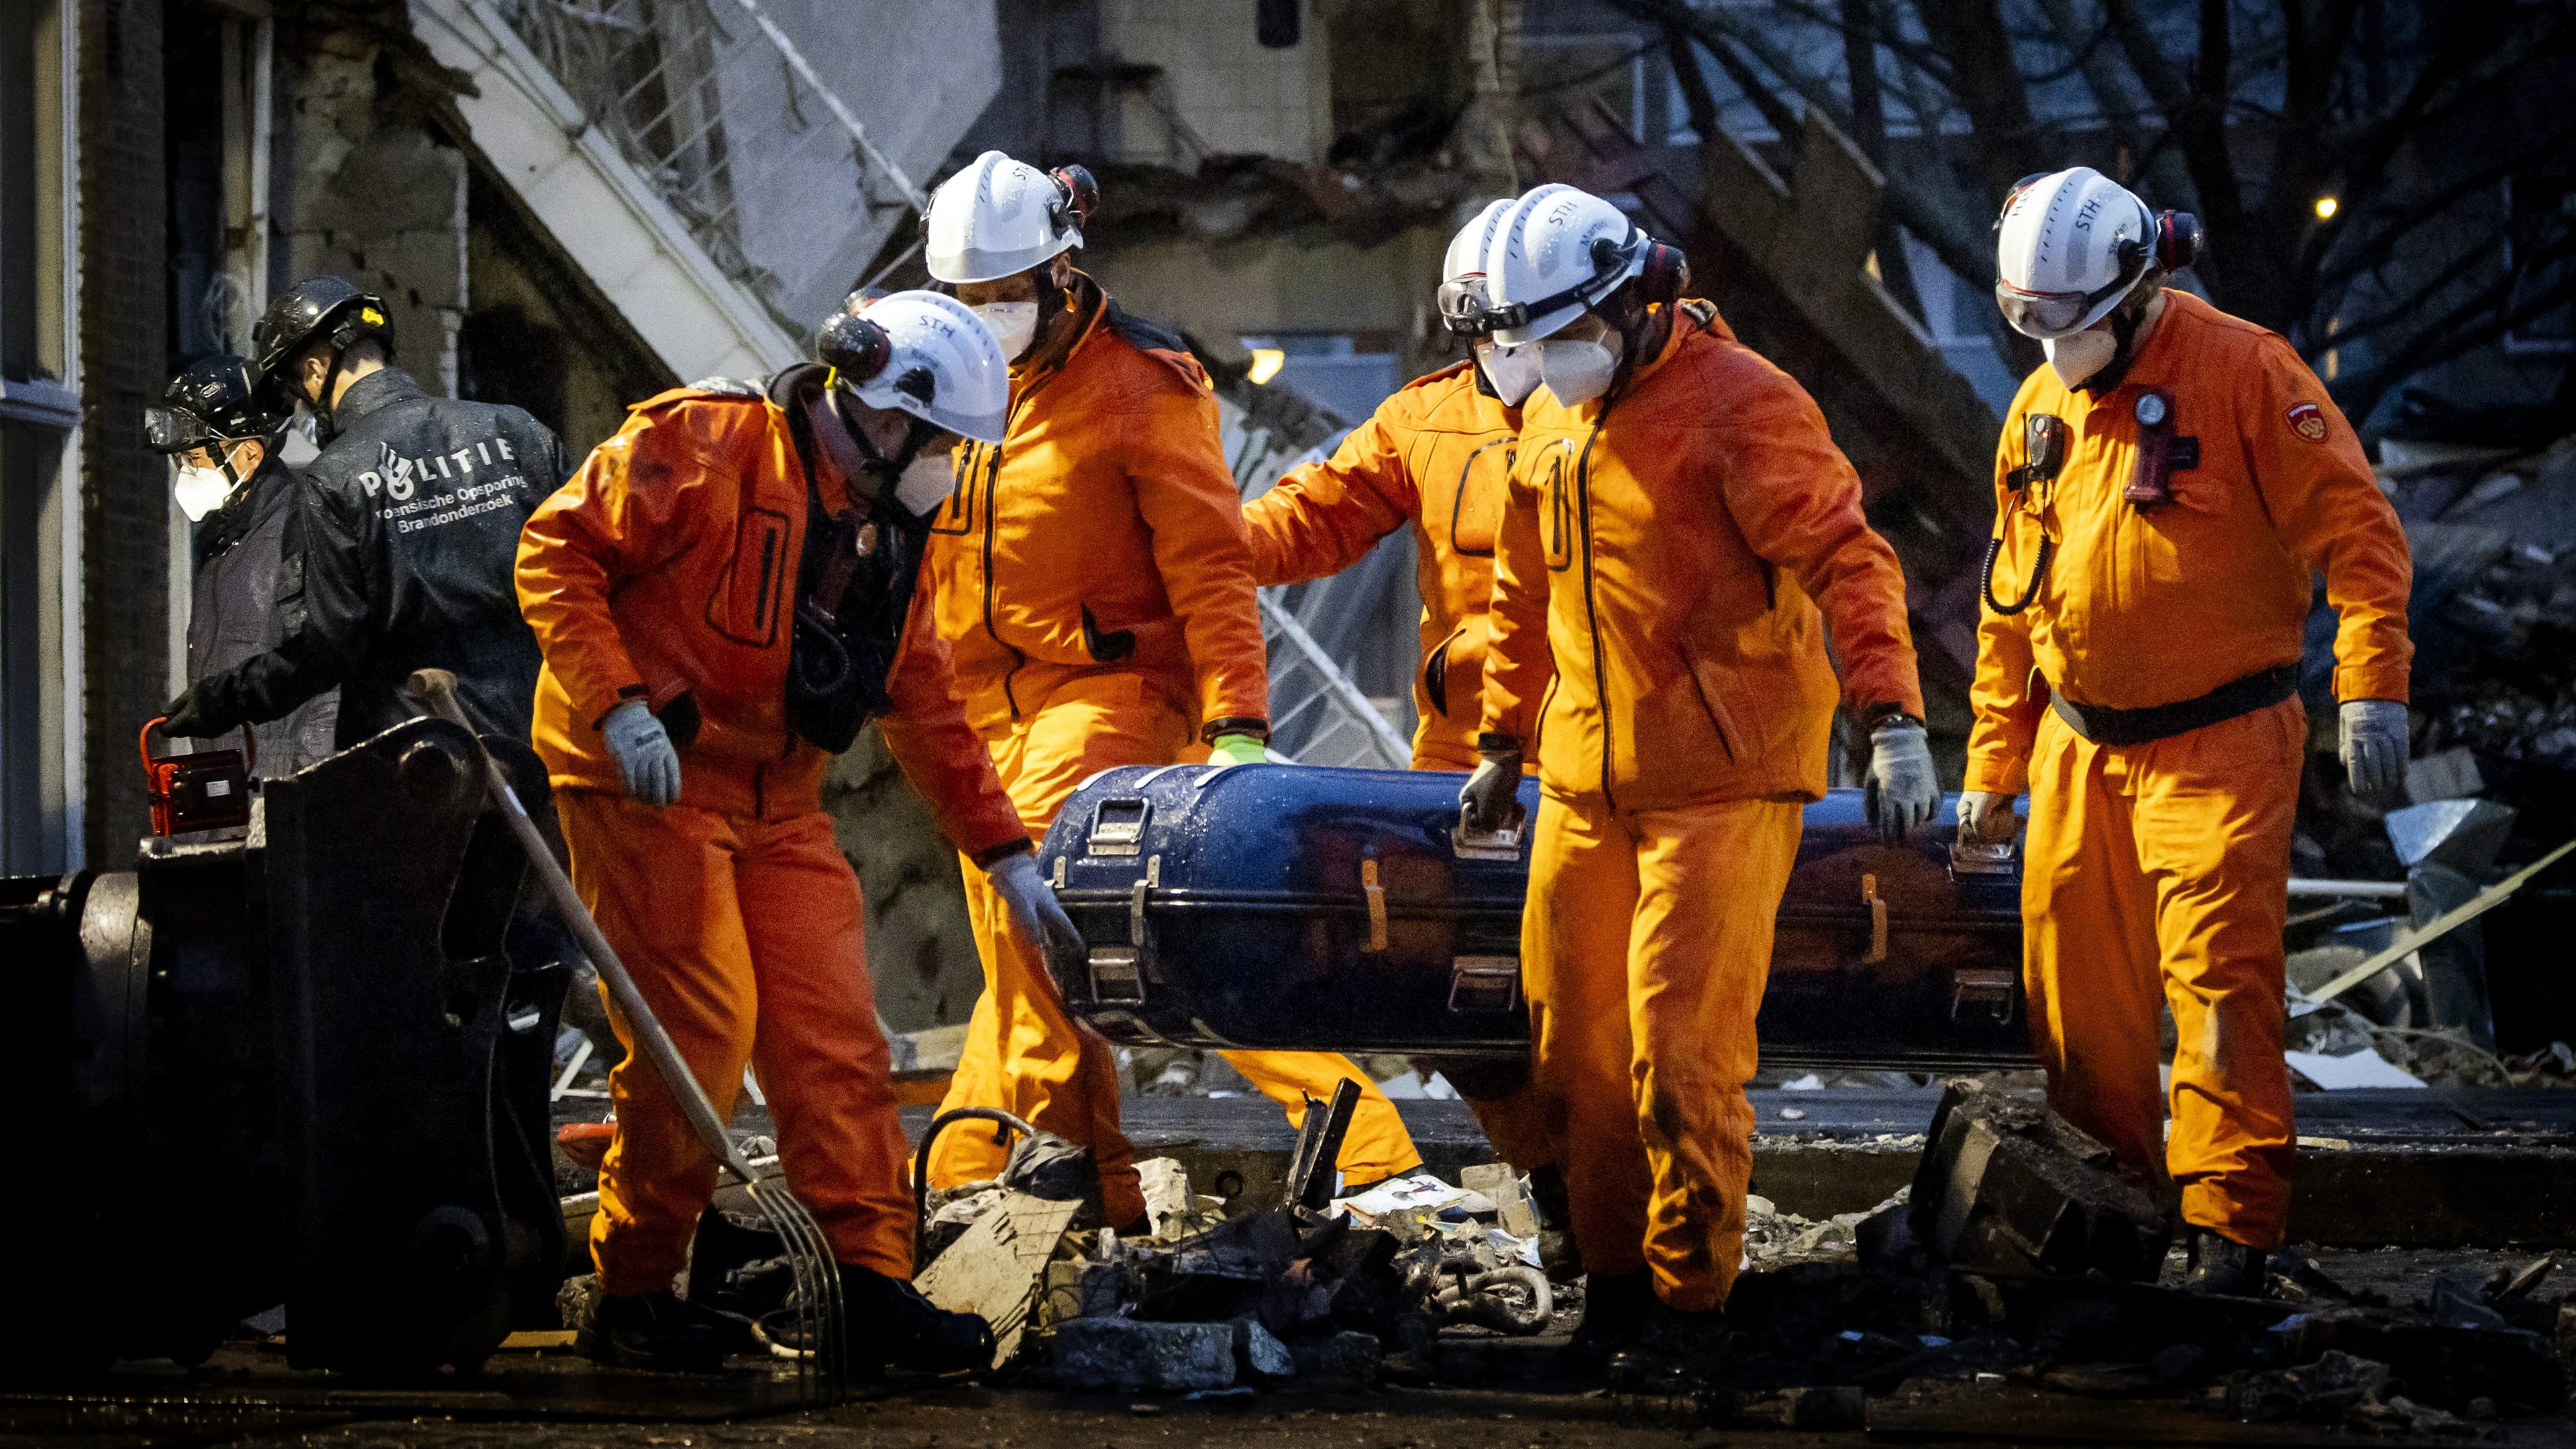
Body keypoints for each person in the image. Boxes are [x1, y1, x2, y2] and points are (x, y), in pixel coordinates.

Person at [517, 291, 1062, 1373]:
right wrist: (620, 703)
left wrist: (1005, 854)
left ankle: (866, 1289)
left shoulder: (888, 538)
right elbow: (556, 554)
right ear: (887, 419)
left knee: (836, 1042)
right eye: (947, 444)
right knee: (701, 1038)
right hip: (648, 787)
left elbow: (927, 703)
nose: (953, 471)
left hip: (779, 799)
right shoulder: (706, 445)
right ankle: (633, 1292)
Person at [1460, 184, 1937, 1383]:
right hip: (1582, 785)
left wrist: (1892, 719)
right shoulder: (1553, 419)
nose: (1541, 361)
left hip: (1721, 785)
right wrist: (1503, 743)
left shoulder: (1746, 407)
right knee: (1575, 1060)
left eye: (1558, 336)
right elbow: (1525, 595)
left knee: (1681, 1060)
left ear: (1628, 301)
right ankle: (1614, 1303)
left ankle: (1689, 1310)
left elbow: (1850, 560)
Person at [913, 150, 1421, 1228]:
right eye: (966, 300)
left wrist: (1238, 724)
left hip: (1111, 699)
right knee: (1057, 966)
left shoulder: (1144, 385)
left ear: (1061, 276)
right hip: (978, 709)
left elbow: (1210, 565)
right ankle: (1090, 1203)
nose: (986, 318)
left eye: (1005, 298)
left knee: (1042, 921)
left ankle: (987, 1186)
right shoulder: (946, 375)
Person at [1960, 167, 2413, 1295]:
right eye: (2033, 323)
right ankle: (2103, 1211)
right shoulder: (2039, 411)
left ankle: (2231, 1229)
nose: (2052, 346)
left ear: (2134, 288)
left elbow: (2362, 539)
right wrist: (1994, 766)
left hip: (2219, 742)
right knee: (2075, 997)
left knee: (2219, 989)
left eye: (2068, 323)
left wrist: (2373, 690)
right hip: (2079, 746)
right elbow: (2011, 604)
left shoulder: (2249, 372)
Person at [1237, 199, 1553, 1179]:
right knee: (1451, 1002)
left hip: (1590, 749)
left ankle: (1602, 1209)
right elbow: (1318, 514)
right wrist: (1196, 536)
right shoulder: (1425, 418)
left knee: (1579, 1007)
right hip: (1460, 758)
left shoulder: (1619, 415)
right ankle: (1560, 1190)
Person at [160, 277, 570, 748]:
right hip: (546, 735)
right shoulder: (517, 432)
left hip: (420, 762)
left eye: (296, 387)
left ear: (316, 369)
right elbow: (589, 576)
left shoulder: (332, 479)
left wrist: (221, 700)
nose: (304, 408)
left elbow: (325, 650)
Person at [147, 354, 338, 775]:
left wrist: (300, 801)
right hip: (233, 795)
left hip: (276, 801)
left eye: (195, 459)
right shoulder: (225, 541)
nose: (185, 473)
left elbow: (329, 691)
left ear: (249, 454)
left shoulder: (298, 534)